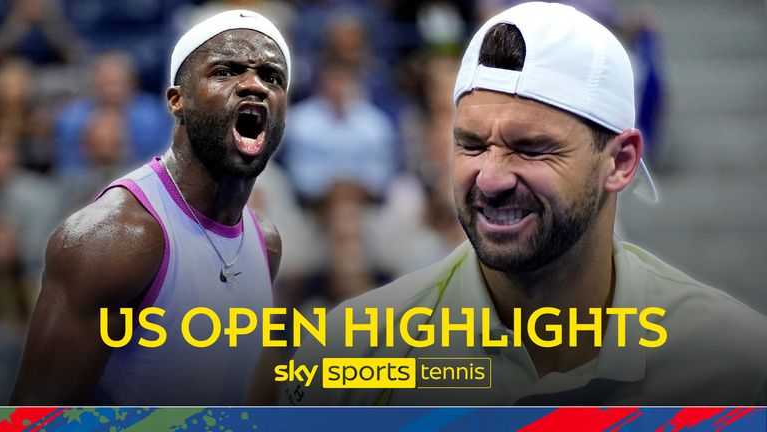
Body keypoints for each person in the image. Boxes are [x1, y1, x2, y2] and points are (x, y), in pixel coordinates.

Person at [283, 2, 767, 405]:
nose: (490, 179)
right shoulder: (350, 355)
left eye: (532, 148)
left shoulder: (734, 362)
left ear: (620, 161)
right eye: (471, 145)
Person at [11, 9, 290, 405]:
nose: (254, 86)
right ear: (177, 101)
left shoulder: (266, 243)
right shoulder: (114, 238)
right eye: (226, 71)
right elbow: (34, 417)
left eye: (271, 77)